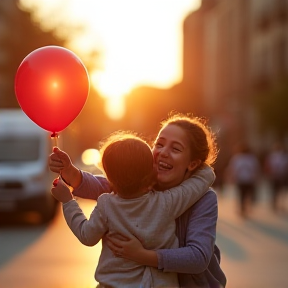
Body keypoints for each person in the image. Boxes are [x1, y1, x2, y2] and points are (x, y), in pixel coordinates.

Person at [49, 112, 227, 288]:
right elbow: (104, 185)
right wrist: (70, 171)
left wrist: (142, 255)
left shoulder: (203, 198)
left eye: (175, 149)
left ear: (193, 163)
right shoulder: (143, 183)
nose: (164, 152)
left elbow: (198, 257)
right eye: (159, 144)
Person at [225, 142, 261, 218]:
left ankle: (242, 208)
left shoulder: (237, 158)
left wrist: (231, 177)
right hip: (249, 179)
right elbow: (256, 168)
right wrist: (257, 177)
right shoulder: (252, 158)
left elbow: (232, 169)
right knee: (248, 194)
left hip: (240, 179)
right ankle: (246, 207)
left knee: (242, 194)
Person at [264, 141, 288, 213]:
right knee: (281, 190)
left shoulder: (271, 156)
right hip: (282, 175)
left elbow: (267, 165)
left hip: (274, 175)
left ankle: (274, 203)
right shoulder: (284, 156)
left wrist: (269, 173)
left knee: (274, 190)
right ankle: (280, 204)